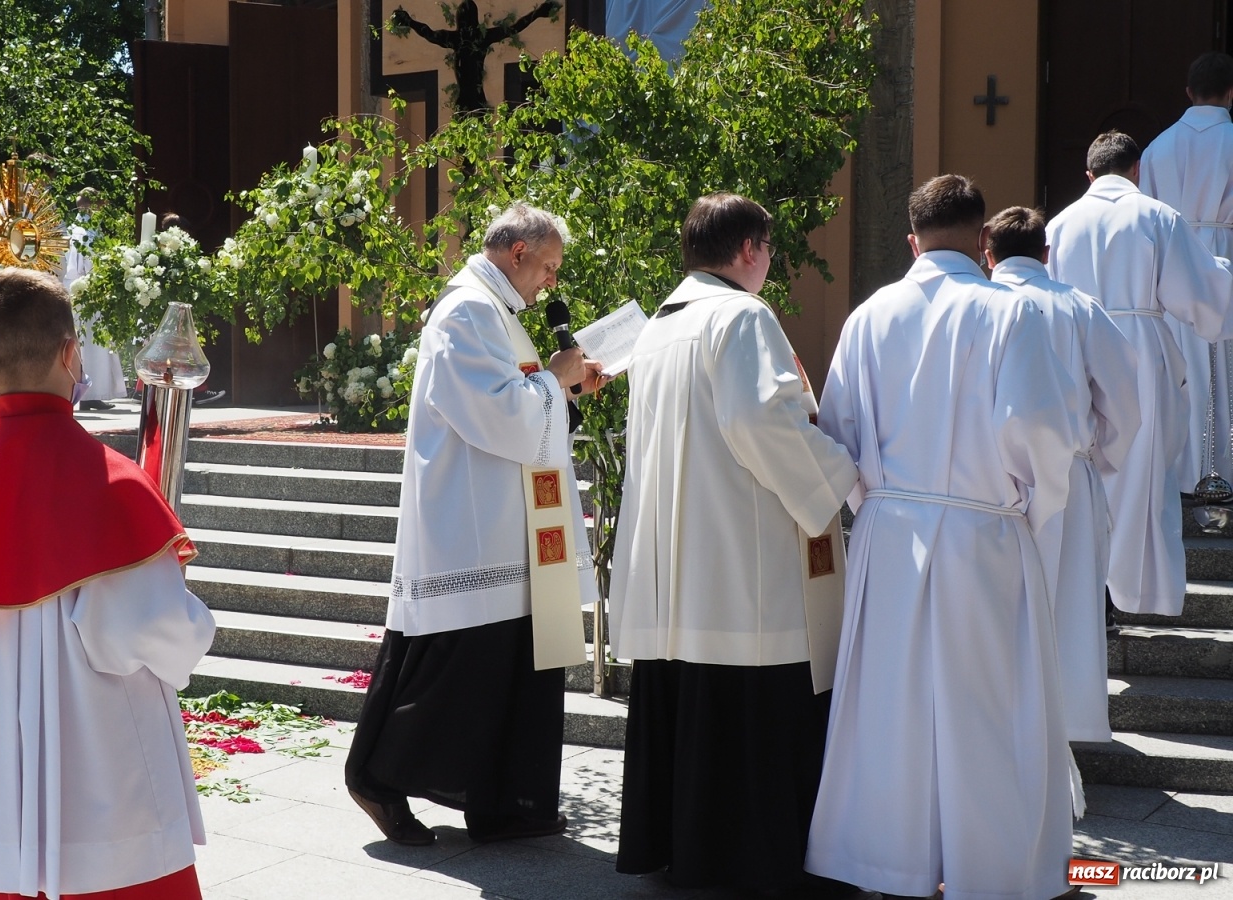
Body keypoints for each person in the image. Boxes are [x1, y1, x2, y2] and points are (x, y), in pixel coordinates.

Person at [805, 175, 1080, 900]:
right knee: (988, 708)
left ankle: (884, 860)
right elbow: (1043, 433)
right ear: (984, 241)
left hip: (891, 536)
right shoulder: (1010, 313)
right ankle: (995, 870)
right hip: (983, 534)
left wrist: (882, 505)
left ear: (912, 240)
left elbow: (838, 435)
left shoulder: (869, 315)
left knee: (890, 708)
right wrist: (1027, 509)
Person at [0, 268, 214, 900]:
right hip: (108, 797)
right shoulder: (113, 486)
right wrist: (188, 608)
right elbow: (160, 638)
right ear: (70, 353)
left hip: (12, 803)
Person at [608, 194, 859, 897]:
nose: (768, 266)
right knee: (757, 698)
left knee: (692, 700)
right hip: (740, 565)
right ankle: (755, 857)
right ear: (749, 250)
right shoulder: (742, 316)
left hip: (679, 561)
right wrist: (835, 472)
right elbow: (760, 420)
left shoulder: (661, 324)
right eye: (770, 253)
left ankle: (685, 849)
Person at [344, 202, 607, 845]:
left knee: (509, 670)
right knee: (458, 673)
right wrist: (554, 379)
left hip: (508, 522)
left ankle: (504, 803)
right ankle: (376, 777)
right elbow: (493, 414)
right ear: (516, 253)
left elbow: (524, 405)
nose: (551, 281)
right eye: (546, 266)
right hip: (471, 528)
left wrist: (565, 391)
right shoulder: (466, 309)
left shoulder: (499, 315)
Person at [1047, 131, 1233, 617]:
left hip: (1076, 357)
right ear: (1136, 170)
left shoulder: (1061, 225)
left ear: (1088, 176)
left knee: (1086, 474)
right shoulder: (1156, 216)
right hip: (1139, 357)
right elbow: (1198, 296)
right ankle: (1129, 594)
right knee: (1140, 477)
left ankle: (1091, 595)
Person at [986, 206, 1141, 745]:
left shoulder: (976, 305)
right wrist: (1098, 458)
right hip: (1070, 482)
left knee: (1000, 615)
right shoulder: (1078, 306)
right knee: (1069, 611)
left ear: (989, 254)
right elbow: (1124, 398)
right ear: (1046, 253)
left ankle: (1003, 735)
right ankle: (1062, 738)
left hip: (987, 486)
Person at [1141, 52, 1233, 490]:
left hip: (1174, 266)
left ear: (1188, 93)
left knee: (1185, 372)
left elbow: (1143, 220)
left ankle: (1182, 475)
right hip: (1227, 256)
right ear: (1231, 93)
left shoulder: (1158, 148)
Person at [59, 189, 129, 410]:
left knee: (88, 342)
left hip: (78, 288)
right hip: (86, 287)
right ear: (93, 206)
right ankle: (91, 394)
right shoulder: (85, 231)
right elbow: (87, 263)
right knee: (91, 343)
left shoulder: (75, 227)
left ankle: (90, 394)